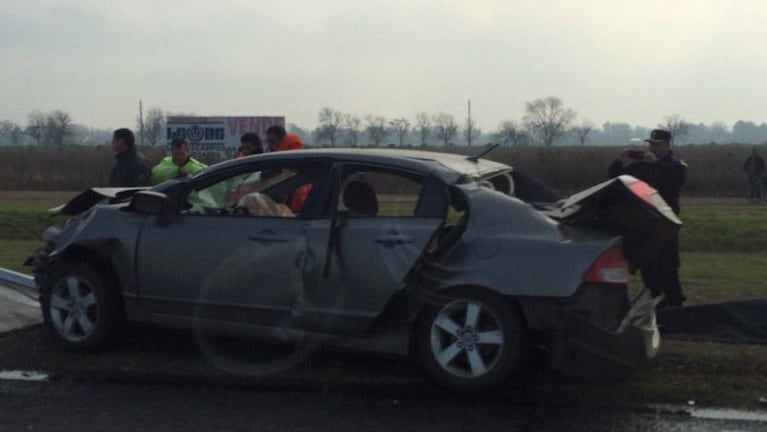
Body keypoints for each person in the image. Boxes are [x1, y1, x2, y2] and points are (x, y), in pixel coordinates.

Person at [608, 128, 687, 307]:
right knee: (647, 267)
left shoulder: (676, 165)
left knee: (667, 266)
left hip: (665, 223)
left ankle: (674, 302)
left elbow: (674, 182)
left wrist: (656, 165)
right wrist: (618, 163)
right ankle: (654, 301)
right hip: (645, 223)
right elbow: (618, 179)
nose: (653, 148)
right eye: (651, 144)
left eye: (657, 145)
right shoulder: (641, 165)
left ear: (667, 145)